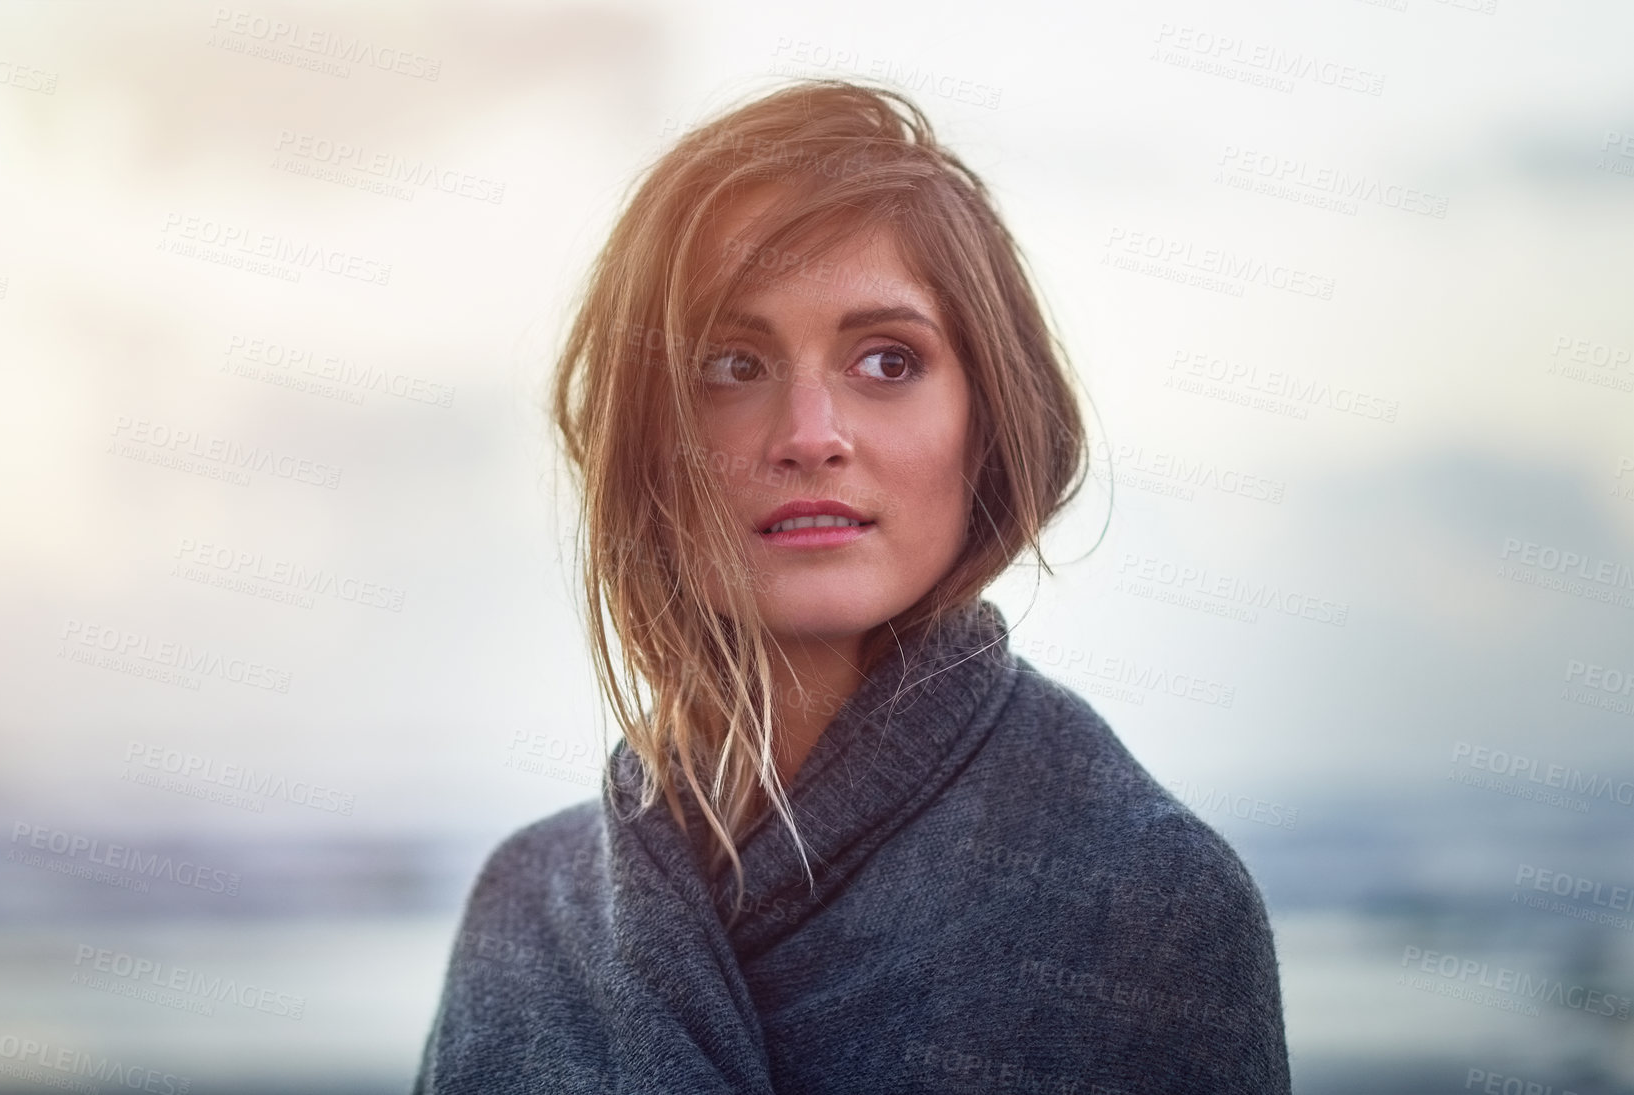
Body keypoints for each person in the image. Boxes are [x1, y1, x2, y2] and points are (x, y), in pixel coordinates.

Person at [415, 77, 1291, 1093]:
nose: (809, 435)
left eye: (885, 359)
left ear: (990, 414)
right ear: (643, 438)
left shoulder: (1147, 904)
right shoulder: (527, 912)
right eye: (731, 364)